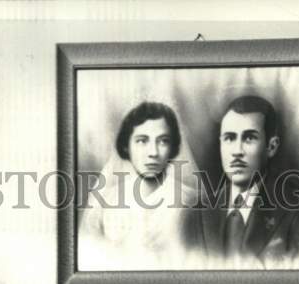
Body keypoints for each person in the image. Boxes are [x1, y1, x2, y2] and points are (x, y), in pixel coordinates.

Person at [78, 100, 205, 270]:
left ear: (174, 148)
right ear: (126, 147)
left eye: (162, 141)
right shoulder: (106, 201)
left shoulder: (191, 202)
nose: (153, 152)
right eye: (142, 141)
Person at [201, 94, 299, 269]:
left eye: (249, 138)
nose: (237, 151)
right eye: (229, 138)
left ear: (271, 147)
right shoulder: (199, 213)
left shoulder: (296, 215)